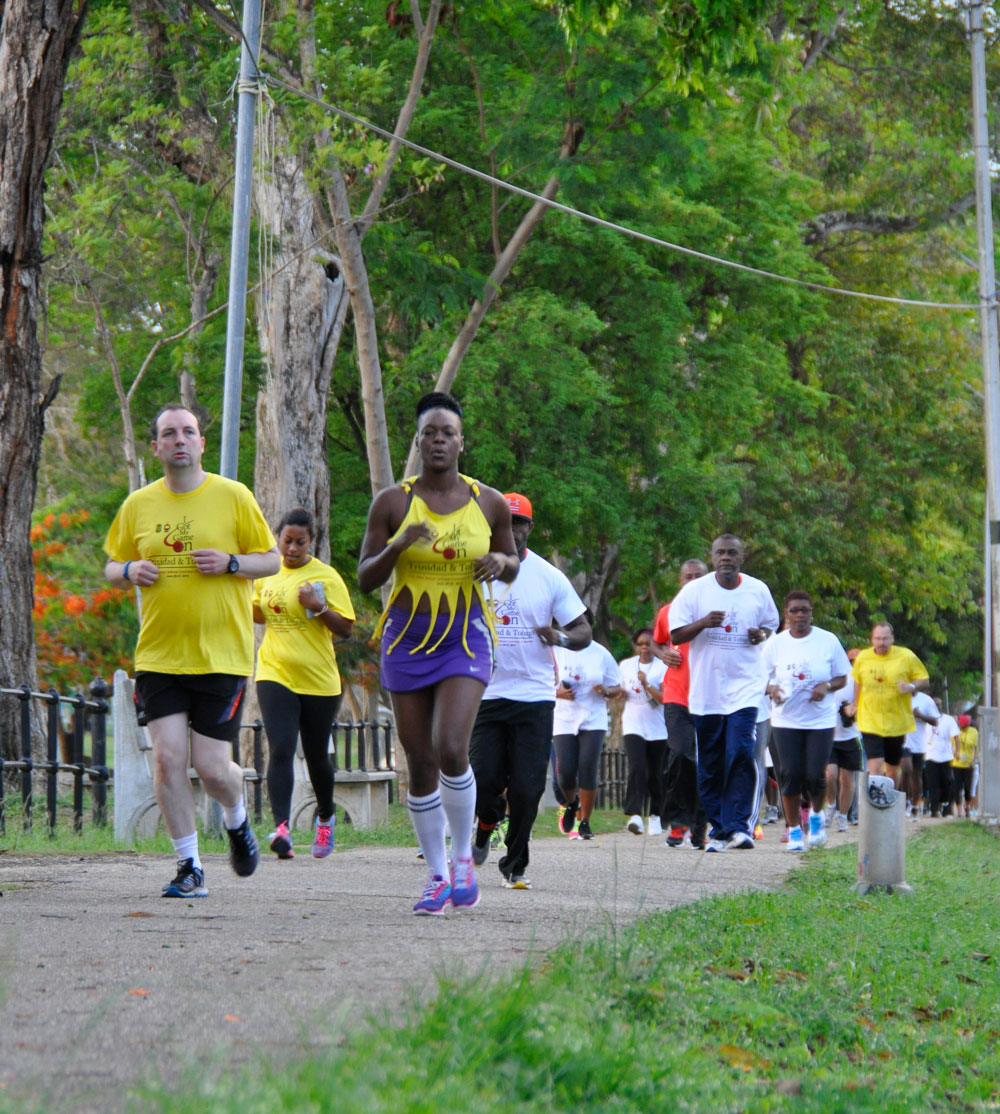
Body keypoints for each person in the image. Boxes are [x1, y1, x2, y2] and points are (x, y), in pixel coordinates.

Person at [103, 403, 279, 898]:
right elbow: (112, 566)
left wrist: (231, 563)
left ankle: (236, 816)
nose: (178, 440)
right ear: (156, 447)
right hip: (158, 655)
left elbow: (270, 561)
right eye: (169, 433)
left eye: (187, 432)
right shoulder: (138, 504)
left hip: (221, 655)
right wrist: (129, 571)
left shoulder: (233, 496)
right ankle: (189, 866)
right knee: (167, 759)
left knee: (212, 767)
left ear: (201, 443)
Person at [357, 392, 518, 915]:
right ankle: (436, 874)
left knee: (451, 746)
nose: (439, 440)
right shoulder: (392, 503)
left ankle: (464, 859)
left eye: (448, 432)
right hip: (407, 638)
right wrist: (399, 544)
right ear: (418, 441)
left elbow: (512, 558)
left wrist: (500, 561)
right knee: (420, 761)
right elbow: (365, 578)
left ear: (461, 441)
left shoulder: (488, 502)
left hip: (465, 636)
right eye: (430, 432)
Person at [468, 493, 591, 890]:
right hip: (484, 692)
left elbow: (583, 630)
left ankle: (515, 864)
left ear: (529, 528)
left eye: (519, 523)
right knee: (483, 781)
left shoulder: (549, 576)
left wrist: (559, 637)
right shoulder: (474, 568)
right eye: (504, 523)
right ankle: (486, 822)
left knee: (527, 787)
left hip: (534, 696)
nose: (512, 530)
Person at [253, 507, 356, 860]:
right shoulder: (268, 573)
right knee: (281, 747)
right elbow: (256, 611)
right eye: (287, 541)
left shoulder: (325, 576)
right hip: (274, 672)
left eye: (300, 542)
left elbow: (346, 628)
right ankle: (281, 829)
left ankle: (325, 817)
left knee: (316, 756)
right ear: (278, 539)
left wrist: (318, 606)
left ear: (311, 542)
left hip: (318, 680)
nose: (292, 548)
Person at [669, 534, 779, 852]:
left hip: (746, 688)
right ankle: (718, 830)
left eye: (732, 552)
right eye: (720, 552)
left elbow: (771, 625)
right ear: (713, 556)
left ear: (742, 557)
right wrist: (704, 623)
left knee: (741, 753)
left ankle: (739, 827)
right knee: (711, 762)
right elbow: (676, 634)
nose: (726, 557)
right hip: (707, 692)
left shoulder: (758, 589)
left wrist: (761, 634)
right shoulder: (695, 591)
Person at [762, 591, 850, 851]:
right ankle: (794, 831)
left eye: (805, 610)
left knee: (815, 776)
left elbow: (842, 677)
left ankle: (816, 817)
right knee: (789, 775)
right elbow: (758, 678)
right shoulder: (775, 644)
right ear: (786, 614)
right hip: (785, 720)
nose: (800, 615)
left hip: (819, 721)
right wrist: (773, 690)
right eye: (794, 611)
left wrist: (826, 686)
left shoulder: (827, 640)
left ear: (811, 612)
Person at [653, 559, 705, 849]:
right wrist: (663, 654)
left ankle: (701, 825)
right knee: (679, 756)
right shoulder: (668, 611)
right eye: (688, 577)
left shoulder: (716, 612)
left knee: (705, 761)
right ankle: (678, 822)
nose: (693, 581)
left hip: (710, 698)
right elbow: (658, 642)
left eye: (699, 576)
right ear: (680, 581)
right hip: (676, 695)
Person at [552, 628, 622, 839]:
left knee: (588, 768)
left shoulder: (601, 653)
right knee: (565, 773)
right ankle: (572, 803)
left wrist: (606, 691)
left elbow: (617, 687)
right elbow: (539, 680)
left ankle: (585, 822)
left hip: (593, 718)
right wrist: (558, 693)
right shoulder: (557, 650)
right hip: (564, 718)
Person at [851, 622, 929, 786]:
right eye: (878, 638)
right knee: (876, 767)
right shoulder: (863, 658)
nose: (882, 643)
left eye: (885, 638)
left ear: (892, 638)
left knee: (892, 770)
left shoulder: (906, 656)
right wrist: (856, 704)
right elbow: (858, 681)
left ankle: (891, 797)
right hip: (870, 720)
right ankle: (876, 800)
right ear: (872, 639)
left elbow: (924, 679)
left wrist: (911, 687)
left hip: (896, 722)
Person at [617, 628, 668, 836]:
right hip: (633, 725)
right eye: (640, 644)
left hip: (657, 728)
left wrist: (646, 683)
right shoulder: (626, 665)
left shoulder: (662, 667)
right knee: (636, 767)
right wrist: (618, 693)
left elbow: (664, 698)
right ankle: (635, 815)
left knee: (656, 774)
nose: (644, 647)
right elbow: (619, 688)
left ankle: (655, 815)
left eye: (648, 644)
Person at [824, 673, 864, 832]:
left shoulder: (855, 678)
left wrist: (853, 709)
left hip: (850, 736)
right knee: (830, 775)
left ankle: (843, 816)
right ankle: (831, 806)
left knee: (847, 779)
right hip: (829, 735)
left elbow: (863, 703)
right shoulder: (825, 675)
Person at [901, 689, 938, 821]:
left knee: (916, 775)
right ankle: (905, 801)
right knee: (906, 769)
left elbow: (935, 721)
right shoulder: (899, 696)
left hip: (919, 743)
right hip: (903, 740)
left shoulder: (926, 700)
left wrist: (920, 715)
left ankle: (915, 806)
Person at [925, 698, 959, 818]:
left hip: (946, 756)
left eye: (939, 704)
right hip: (930, 756)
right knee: (933, 784)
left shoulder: (949, 720)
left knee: (948, 783)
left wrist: (957, 751)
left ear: (941, 705)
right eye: (935, 704)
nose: (937, 706)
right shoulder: (926, 720)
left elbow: (956, 736)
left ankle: (946, 809)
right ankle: (934, 810)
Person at [953, 714, 979, 817]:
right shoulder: (955, 731)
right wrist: (954, 753)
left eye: (965, 725)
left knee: (968, 787)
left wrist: (974, 760)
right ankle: (959, 810)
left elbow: (976, 747)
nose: (963, 727)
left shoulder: (973, 732)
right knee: (957, 788)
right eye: (962, 725)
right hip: (956, 764)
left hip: (968, 764)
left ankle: (967, 806)